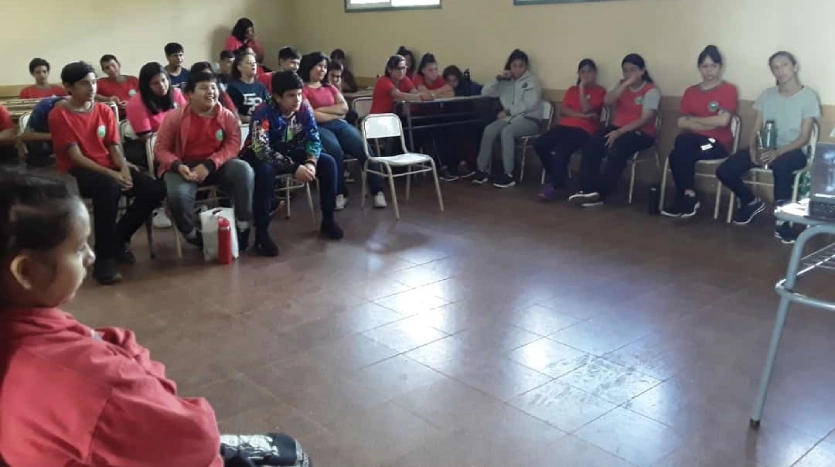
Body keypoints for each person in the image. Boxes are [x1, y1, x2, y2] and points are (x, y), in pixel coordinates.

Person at [0, 169, 313, 467]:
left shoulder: (22, 327)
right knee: (290, 454)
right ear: (26, 271)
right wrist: (136, 365)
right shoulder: (85, 373)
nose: (91, 256)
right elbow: (194, 435)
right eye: (79, 248)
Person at [48, 62, 165, 285]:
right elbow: (75, 156)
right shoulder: (59, 115)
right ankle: (104, 260)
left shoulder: (103, 110)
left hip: (109, 167)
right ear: (68, 87)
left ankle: (118, 238)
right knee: (108, 187)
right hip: (77, 171)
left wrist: (123, 168)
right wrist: (112, 175)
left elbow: (113, 145)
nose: (92, 87)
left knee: (153, 189)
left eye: (93, 82)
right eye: (84, 83)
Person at [716, 51, 820, 243]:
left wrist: (778, 152)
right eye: (776, 67)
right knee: (725, 170)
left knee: (781, 167)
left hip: (793, 150)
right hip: (766, 147)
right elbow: (757, 127)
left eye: (785, 65)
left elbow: (804, 137)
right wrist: (753, 149)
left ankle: (783, 221)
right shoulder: (767, 95)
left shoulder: (808, 97)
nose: (780, 71)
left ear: (794, 67)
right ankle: (750, 202)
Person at [245, 71, 345, 256]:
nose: (297, 99)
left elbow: (314, 139)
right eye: (291, 95)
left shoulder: (304, 109)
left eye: (299, 94)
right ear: (277, 96)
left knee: (328, 162)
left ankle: (328, 220)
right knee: (265, 173)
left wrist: (311, 162)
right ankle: (261, 234)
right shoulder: (263, 112)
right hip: (260, 155)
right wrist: (294, 168)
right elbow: (261, 149)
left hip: (290, 150)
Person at [154, 71, 253, 251]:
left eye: (213, 87)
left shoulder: (227, 116)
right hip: (183, 167)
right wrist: (177, 165)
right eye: (203, 88)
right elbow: (160, 149)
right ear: (190, 93)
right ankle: (192, 234)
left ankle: (243, 226)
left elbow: (232, 146)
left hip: (216, 165)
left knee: (244, 170)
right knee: (178, 195)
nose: (211, 92)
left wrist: (209, 165)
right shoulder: (175, 117)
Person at [569, 53, 660, 207]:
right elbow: (607, 101)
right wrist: (624, 85)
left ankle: (601, 195)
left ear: (642, 71)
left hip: (641, 133)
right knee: (592, 144)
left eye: (633, 70)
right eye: (625, 70)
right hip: (616, 127)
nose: (629, 74)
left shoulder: (651, 90)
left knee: (617, 149)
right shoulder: (620, 85)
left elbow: (645, 119)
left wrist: (620, 132)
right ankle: (586, 190)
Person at [299, 52, 387, 210]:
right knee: (335, 152)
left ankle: (377, 190)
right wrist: (332, 112)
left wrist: (320, 110)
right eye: (319, 66)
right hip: (318, 128)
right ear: (310, 66)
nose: (322, 70)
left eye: (325, 67)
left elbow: (344, 108)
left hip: (339, 124)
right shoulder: (303, 89)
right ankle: (340, 193)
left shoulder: (330, 87)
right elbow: (310, 115)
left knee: (364, 149)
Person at [661, 46, 739, 218]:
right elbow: (681, 122)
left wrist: (694, 121)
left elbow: (723, 121)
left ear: (720, 67)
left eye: (713, 66)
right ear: (699, 68)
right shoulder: (690, 91)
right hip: (692, 143)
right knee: (681, 148)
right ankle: (688, 195)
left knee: (680, 149)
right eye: (705, 66)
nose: (709, 70)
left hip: (717, 144)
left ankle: (685, 197)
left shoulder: (728, 89)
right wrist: (709, 123)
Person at [534, 59, 607, 200]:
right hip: (564, 125)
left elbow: (587, 109)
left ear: (595, 73)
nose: (586, 75)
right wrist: (581, 115)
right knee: (540, 143)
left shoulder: (600, 91)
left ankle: (552, 184)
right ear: (578, 74)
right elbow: (564, 111)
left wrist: (581, 89)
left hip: (584, 130)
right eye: (582, 72)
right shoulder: (571, 90)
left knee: (562, 149)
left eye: (589, 71)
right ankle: (558, 176)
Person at [472, 49, 543, 188]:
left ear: (526, 67)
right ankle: (482, 170)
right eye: (514, 66)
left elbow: (530, 103)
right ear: (509, 66)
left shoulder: (532, 81)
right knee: (489, 130)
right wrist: (497, 79)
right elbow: (486, 92)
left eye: (521, 66)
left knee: (507, 132)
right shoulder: (505, 81)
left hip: (530, 119)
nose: (517, 69)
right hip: (510, 119)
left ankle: (509, 174)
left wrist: (508, 111)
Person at [125, 62, 188, 168]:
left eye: (164, 80)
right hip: (147, 144)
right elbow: (145, 137)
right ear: (146, 86)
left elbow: (187, 119)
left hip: (176, 139)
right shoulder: (136, 103)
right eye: (155, 83)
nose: (162, 86)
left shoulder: (175, 93)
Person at [413, 53, 463, 181]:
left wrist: (434, 93)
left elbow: (450, 92)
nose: (434, 73)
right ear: (423, 71)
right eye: (430, 70)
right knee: (437, 131)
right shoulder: (418, 78)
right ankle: (443, 167)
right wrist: (439, 93)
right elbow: (423, 95)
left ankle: (456, 164)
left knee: (453, 126)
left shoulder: (439, 79)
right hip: (417, 117)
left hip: (435, 115)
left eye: (436, 69)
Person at [19, 95, 67, 167]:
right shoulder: (44, 107)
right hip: (44, 157)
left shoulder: (82, 109)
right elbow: (25, 136)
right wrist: (56, 136)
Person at [226, 51, 268, 123]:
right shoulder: (233, 87)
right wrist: (249, 119)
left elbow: (268, 107)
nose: (253, 65)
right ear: (239, 67)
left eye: (254, 63)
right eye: (248, 63)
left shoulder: (261, 87)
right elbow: (231, 111)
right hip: (243, 126)